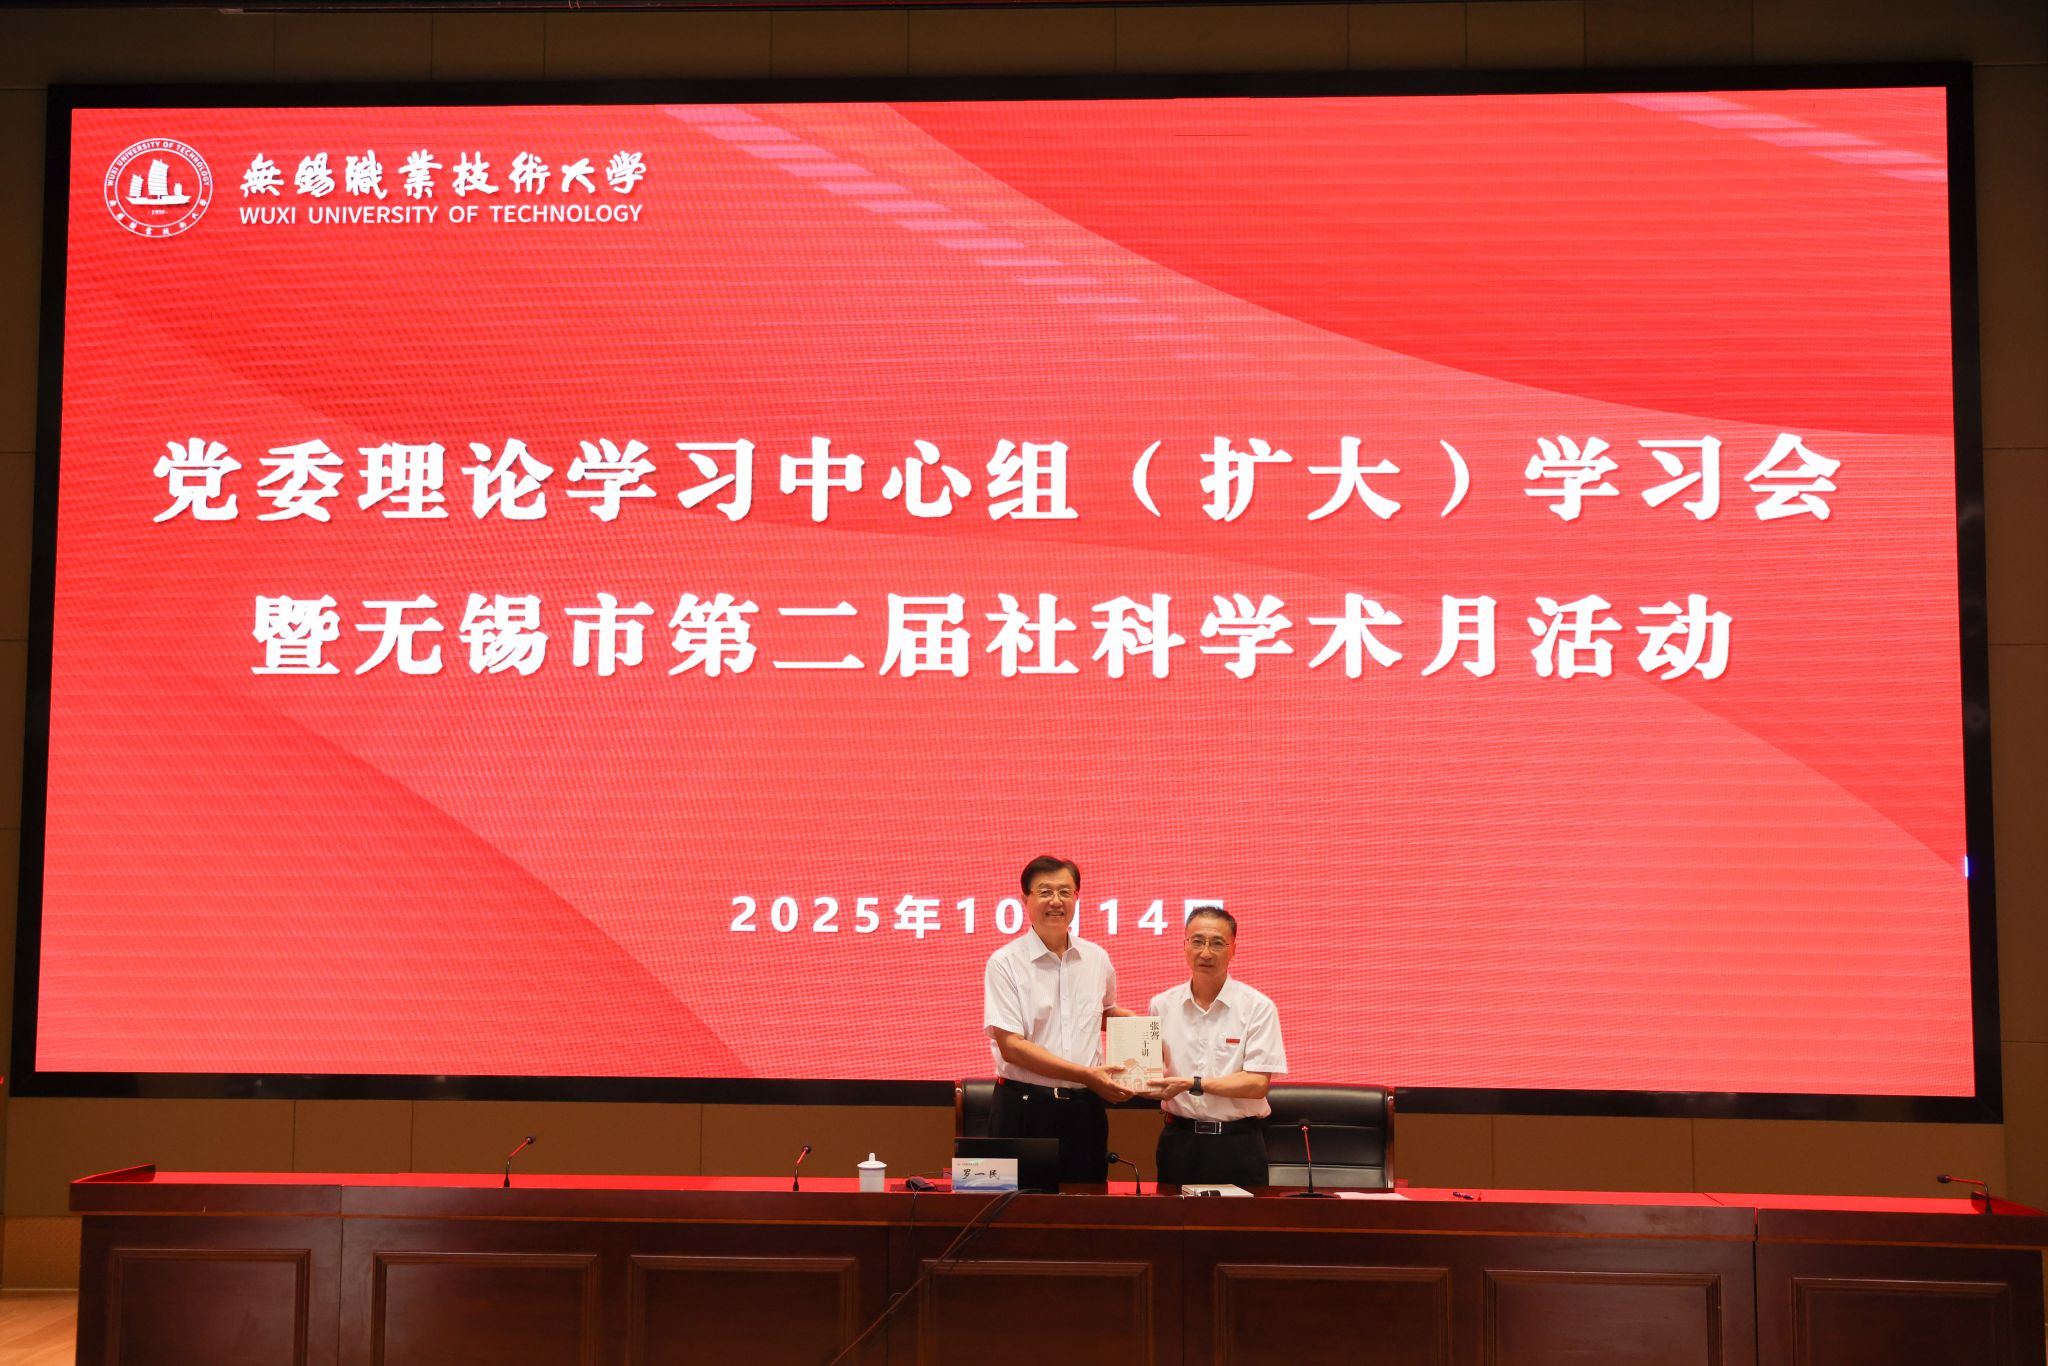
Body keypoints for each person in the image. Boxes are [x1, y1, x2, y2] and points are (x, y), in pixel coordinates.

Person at [982, 854, 1135, 1184]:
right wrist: (1086, 1075)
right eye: (1045, 892)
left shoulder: (1096, 958)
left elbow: (1103, 1013)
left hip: (1084, 1111)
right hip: (1025, 1109)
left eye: (1065, 892)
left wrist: (1144, 1029)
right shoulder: (1004, 962)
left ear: (1077, 897)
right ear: (1025, 899)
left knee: (1086, 1206)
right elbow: (1012, 1047)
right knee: (1017, 1208)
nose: (1056, 901)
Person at [1147, 907, 1287, 1188]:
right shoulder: (1161, 1005)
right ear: (1184, 945)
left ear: (1233, 949)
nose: (1206, 953)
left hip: (1238, 1145)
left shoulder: (1258, 1007)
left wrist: (1193, 1083)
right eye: (1197, 941)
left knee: (1239, 1219)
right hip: (1179, 1142)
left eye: (1217, 943)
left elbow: (1257, 1084)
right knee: (1173, 1217)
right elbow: (1149, 1074)